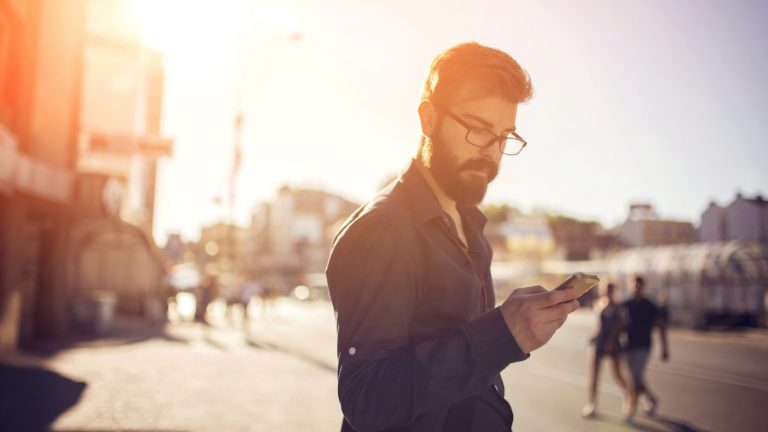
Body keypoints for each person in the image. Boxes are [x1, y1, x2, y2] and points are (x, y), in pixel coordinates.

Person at [326, 42, 581, 432]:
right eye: (478, 130)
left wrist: (503, 328)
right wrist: (501, 334)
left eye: (504, 136)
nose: (491, 153)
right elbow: (367, 399)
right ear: (428, 118)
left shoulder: (472, 229)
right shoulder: (385, 229)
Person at [623, 275, 669, 420]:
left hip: (644, 346)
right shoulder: (626, 304)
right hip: (628, 346)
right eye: (634, 284)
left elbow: (661, 326)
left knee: (635, 378)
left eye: (639, 285)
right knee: (634, 378)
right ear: (630, 285)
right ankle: (651, 398)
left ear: (643, 287)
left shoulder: (650, 306)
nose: (636, 287)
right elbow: (617, 325)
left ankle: (631, 408)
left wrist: (665, 348)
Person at [583, 282, 630, 418]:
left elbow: (620, 325)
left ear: (613, 291)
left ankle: (628, 397)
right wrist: (594, 337)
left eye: (610, 289)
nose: (607, 291)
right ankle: (591, 404)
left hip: (612, 343)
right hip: (599, 342)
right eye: (605, 289)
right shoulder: (599, 304)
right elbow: (598, 325)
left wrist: (611, 340)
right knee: (594, 376)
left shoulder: (618, 307)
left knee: (617, 374)